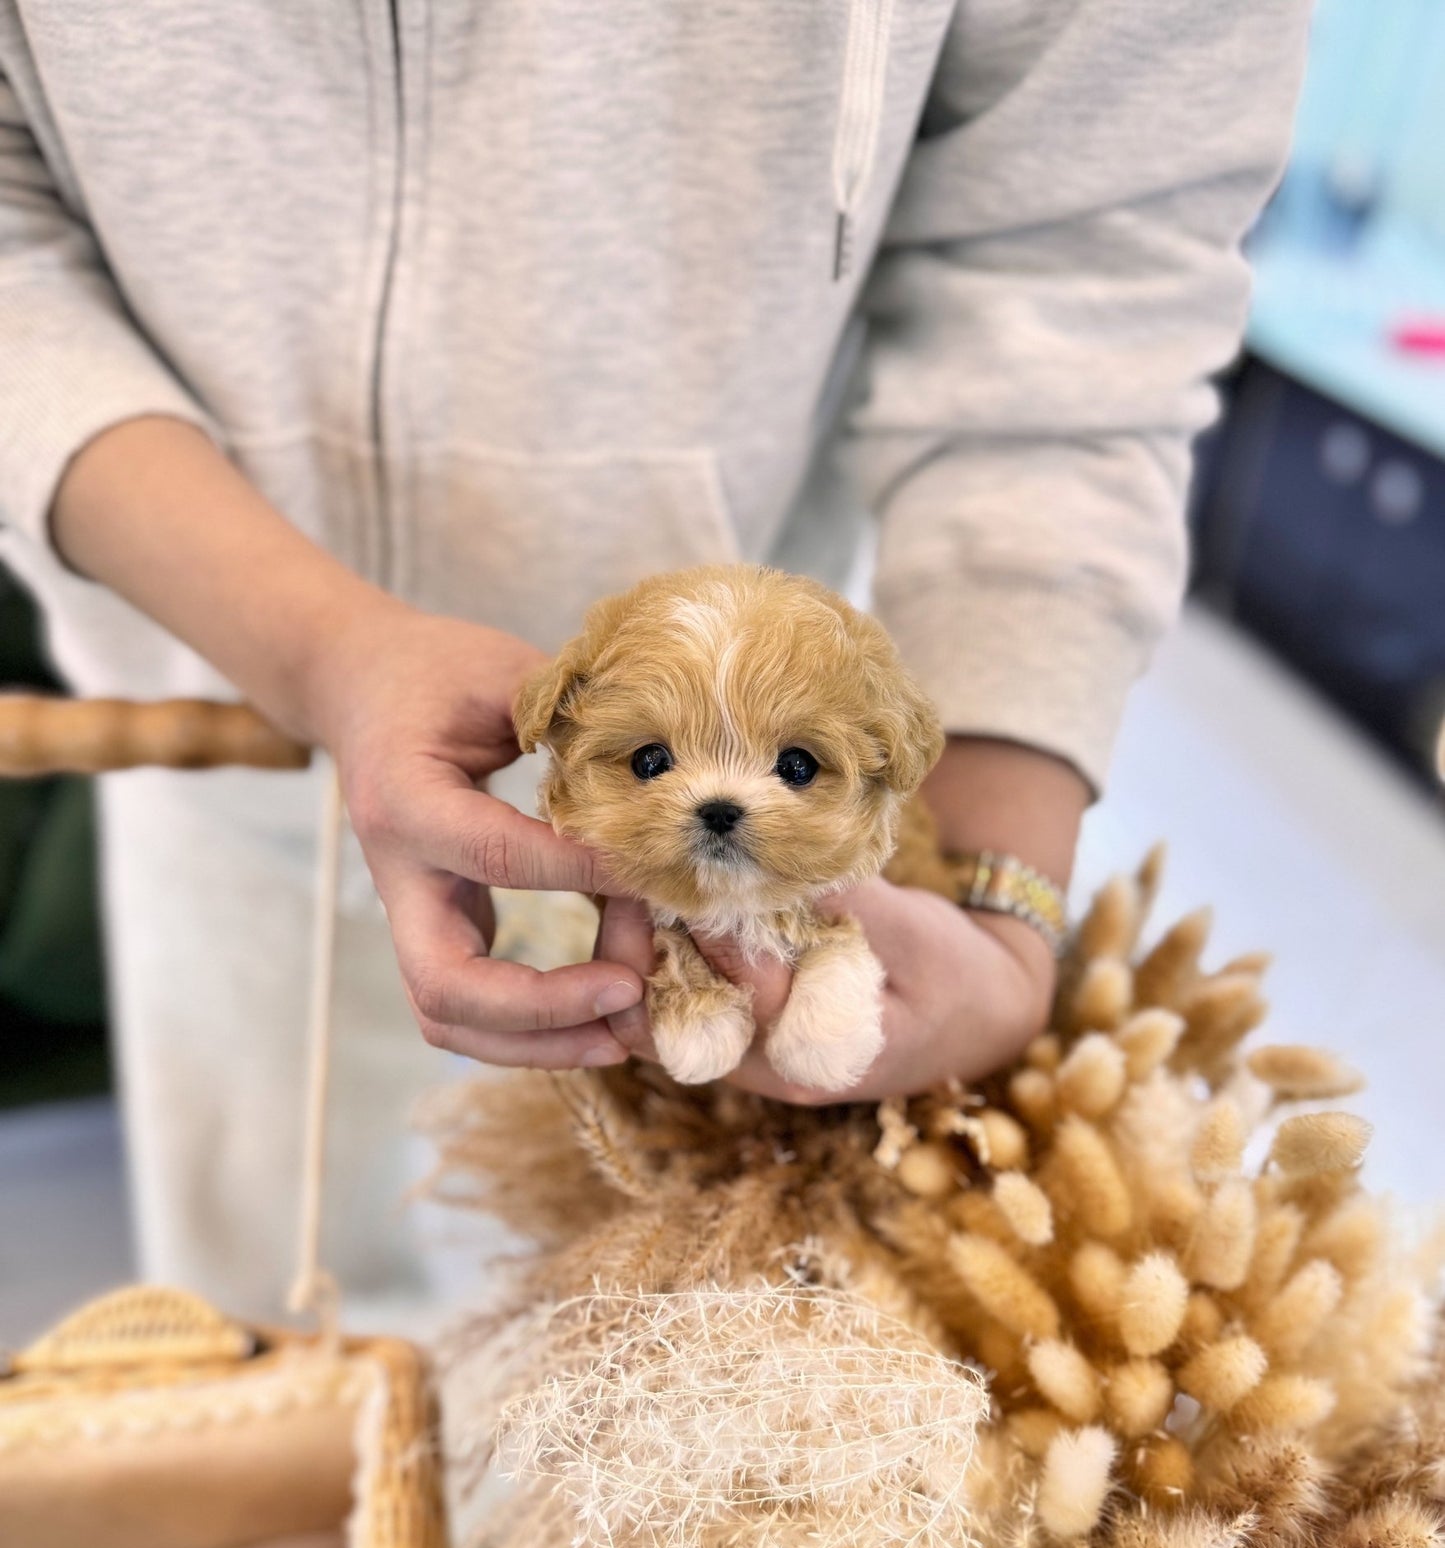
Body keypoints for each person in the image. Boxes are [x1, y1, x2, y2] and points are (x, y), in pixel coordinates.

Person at [0, 3, 1311, 1318]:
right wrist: (312, 643)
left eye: (792, 764)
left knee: (633, 1354)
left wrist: (993, 899)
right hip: (207, 723)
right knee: (257, 1333)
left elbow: (1085, 273)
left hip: (693, 894)